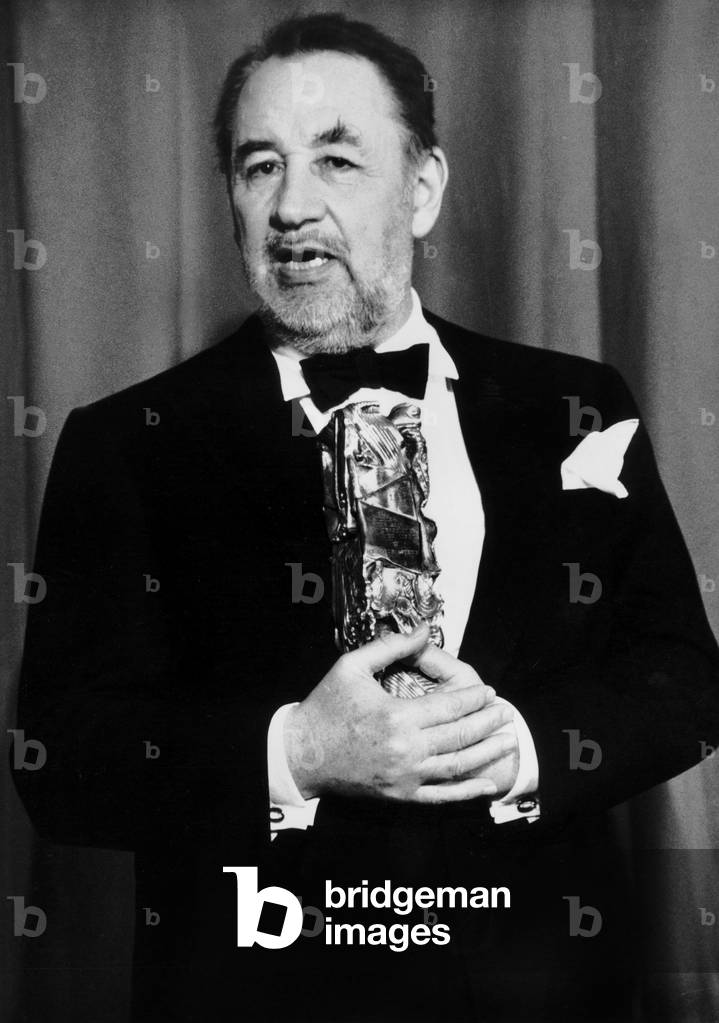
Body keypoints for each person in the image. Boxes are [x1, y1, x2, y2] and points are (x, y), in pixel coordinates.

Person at [12, 12, 719, 1023]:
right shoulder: (127, 443)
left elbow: (683, 676)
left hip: (545, 988)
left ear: (422, 187)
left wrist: (521, 744)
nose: (291, 207)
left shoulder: (576, 408)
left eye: (336, 160)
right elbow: (62, 760)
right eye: (259, 167)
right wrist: (295, 752)